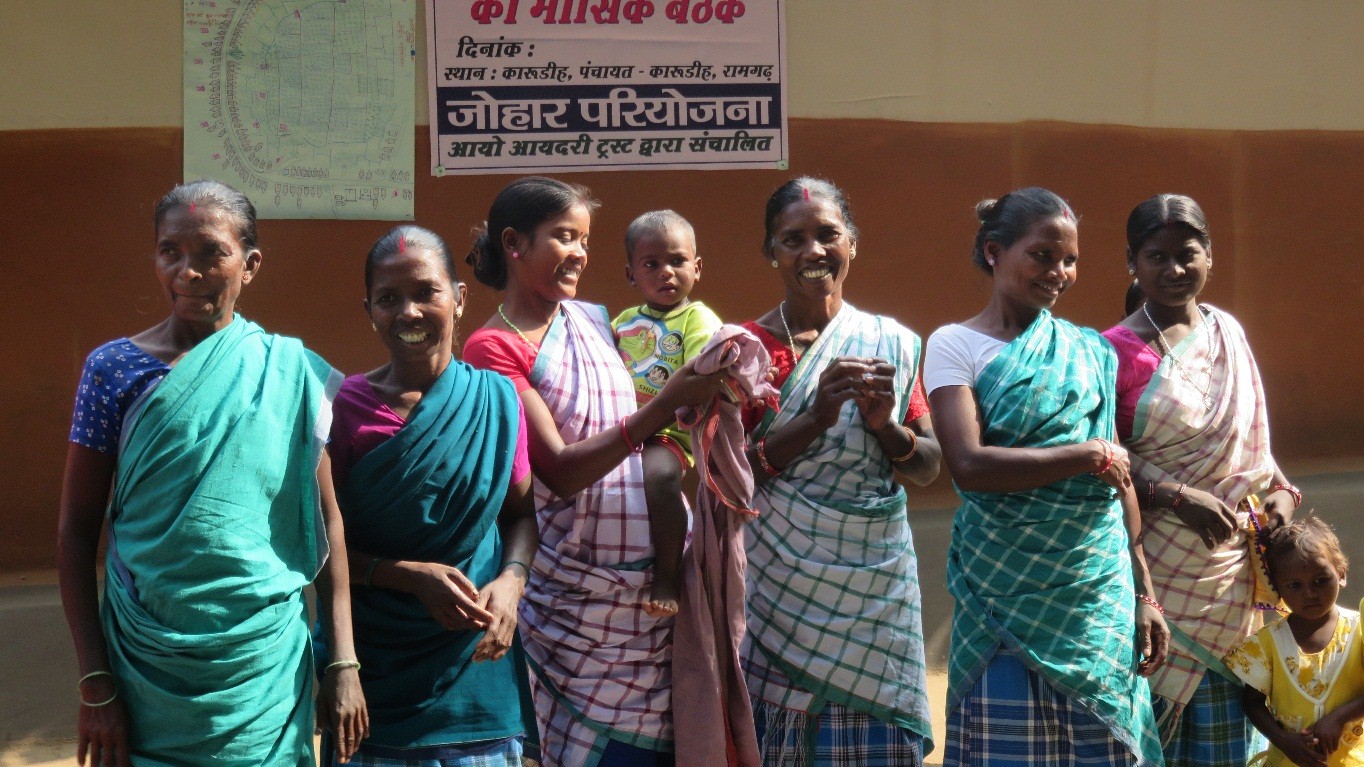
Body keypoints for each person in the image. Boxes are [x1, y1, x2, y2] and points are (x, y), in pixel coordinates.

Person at [57, 180, 367, 767]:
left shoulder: (292, 371)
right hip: (145, 665)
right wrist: (95, 682)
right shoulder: (113, 370)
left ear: (249, 265)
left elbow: (328, 523)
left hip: (263, 666)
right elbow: (76, 532)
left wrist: (343, 662)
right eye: (170, 251)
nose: (187, 271)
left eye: (210, 253)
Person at [462, 176, 724, 767]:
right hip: (575, 604)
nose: (580, 252)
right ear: (513, 243)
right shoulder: (493, 347)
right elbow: (557, 470)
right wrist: (665, 404)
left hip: (656, 596)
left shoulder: (598, 321)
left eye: (584, 240)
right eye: (563, 237)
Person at [924, 187, 1168, 766]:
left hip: (1095, 595)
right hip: (1001, 597)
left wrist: (1144, 594)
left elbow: (1120, 482)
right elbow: (970, 464)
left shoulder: (1090, 351)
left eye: (1070, 259)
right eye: (1041, 255)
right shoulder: (954, 345)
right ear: (994, 251)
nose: (1058, 272)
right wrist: (1086, 455)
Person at [738, 177, 943, 766]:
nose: (813, 252)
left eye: (828, 235)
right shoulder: (746, 350)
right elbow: (732, 480)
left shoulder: (892, 345)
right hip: (776, 590)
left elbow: (928, 467)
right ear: (771, 252)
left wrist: (884, 425)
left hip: (874, 593)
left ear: (852, 244)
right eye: (793, 239)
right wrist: (817, 417)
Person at [319, 226, 539, 765]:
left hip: (478, 678)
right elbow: (322, 547)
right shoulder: (339, 406)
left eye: (425, 292)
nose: (409, 313)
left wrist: (510, 584)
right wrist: (408, 575)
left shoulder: (496, 399)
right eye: (388, 299)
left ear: (459, 298)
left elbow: (521, 517)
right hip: (373, 683)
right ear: (368, 308)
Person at [1104, 193, 1302, 764]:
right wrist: (1172, 495)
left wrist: (1281, 501)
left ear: (1210, 256)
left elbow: (1253, 450)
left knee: (1225, 737)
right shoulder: (1109, 351)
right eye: (1156, 256)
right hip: (1153, 572)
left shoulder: (1228, 333)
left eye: (1187, 254)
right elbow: (1101, 459)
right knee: (1144, 737)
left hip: (1232, 576)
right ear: (1132, 262)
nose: (1173, 270)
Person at [612, 210, 723, 617]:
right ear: (631, 274)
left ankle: (668, 574)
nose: (666, 273)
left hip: (668, 434)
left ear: (697, 268)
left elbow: (698, 372)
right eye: (651, 264)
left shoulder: (698, 318)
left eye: (677, 261)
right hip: (621, 427)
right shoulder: (623, 322)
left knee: (659, 478)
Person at [1224, 517, 1364, 767]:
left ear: (1341, 574)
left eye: (1321, 580)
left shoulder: (1359, 630)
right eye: (1294, 585)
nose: (1309, 593)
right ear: (1278, 588)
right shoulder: (1267, 643)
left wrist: (1340, 717)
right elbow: (1253, 703)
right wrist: (1284, 741)